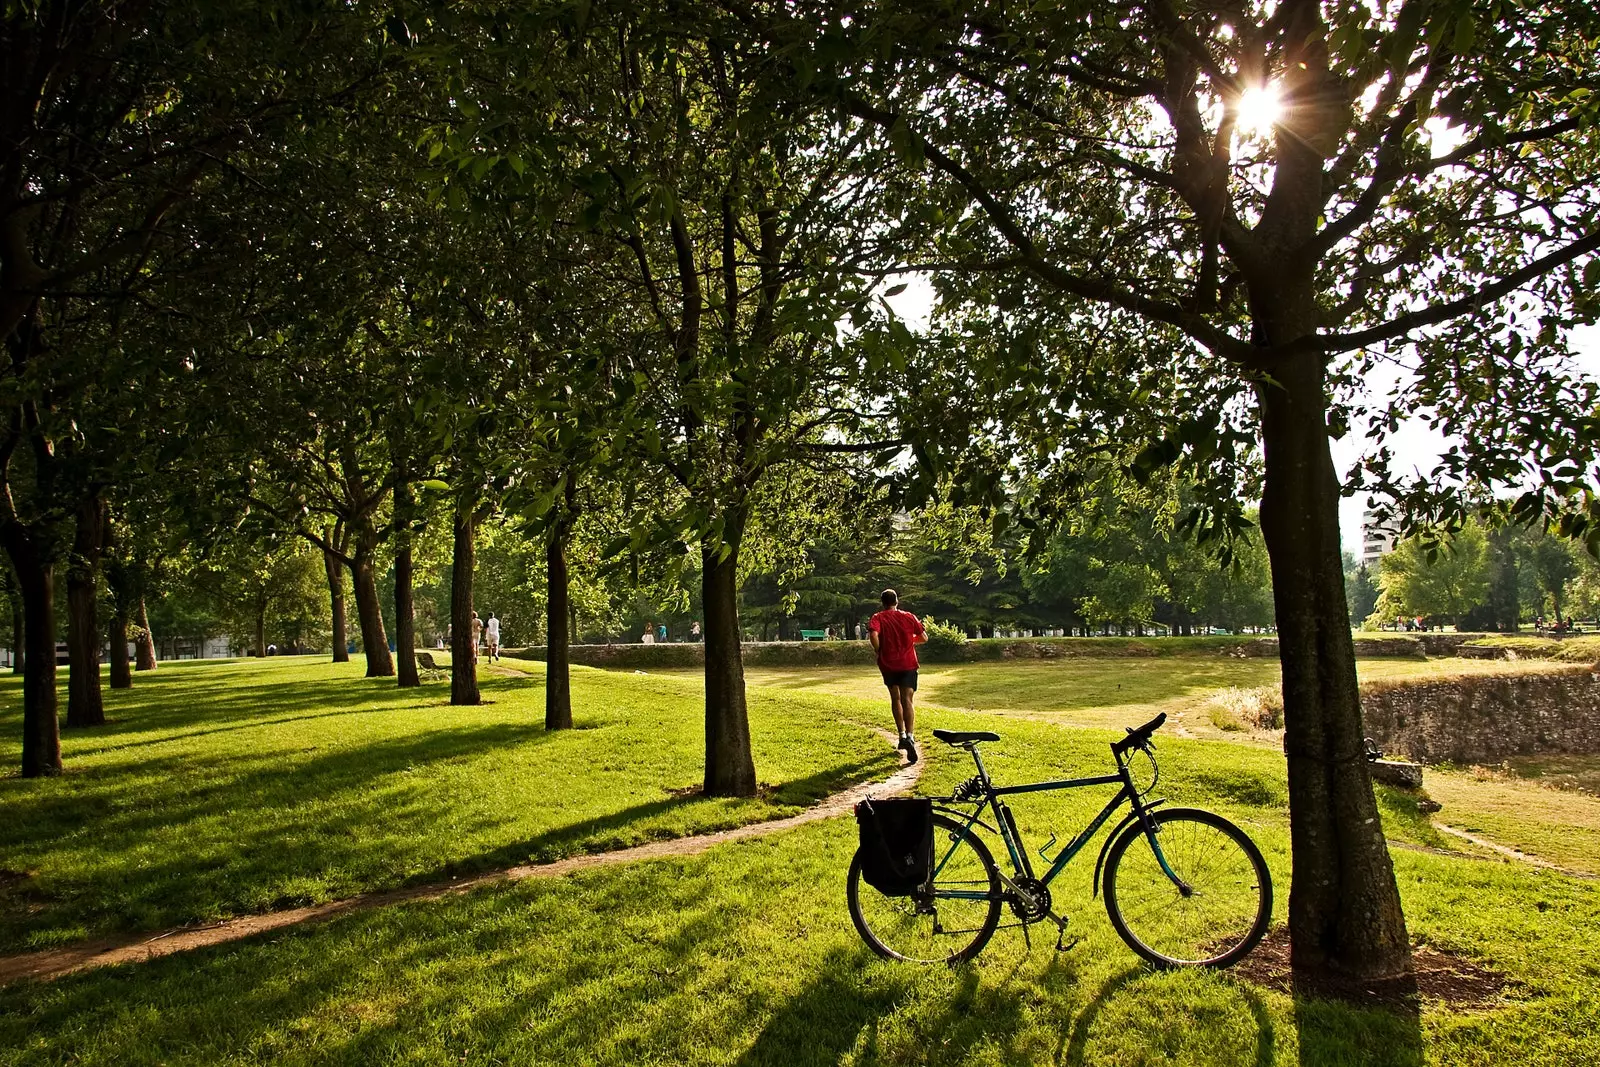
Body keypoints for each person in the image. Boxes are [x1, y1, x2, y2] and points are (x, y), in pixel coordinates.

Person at [868, 588, 927, 764]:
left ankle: (901, 735)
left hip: (888, 664)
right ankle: (910, 735)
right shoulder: (909, 616)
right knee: (907, 700)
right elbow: (924, 637)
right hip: (908, 663)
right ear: (897, 601)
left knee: (895, 699)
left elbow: (873, 634)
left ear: (882, 602)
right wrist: (910, 640)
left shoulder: (878, 617)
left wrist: (879, 649)